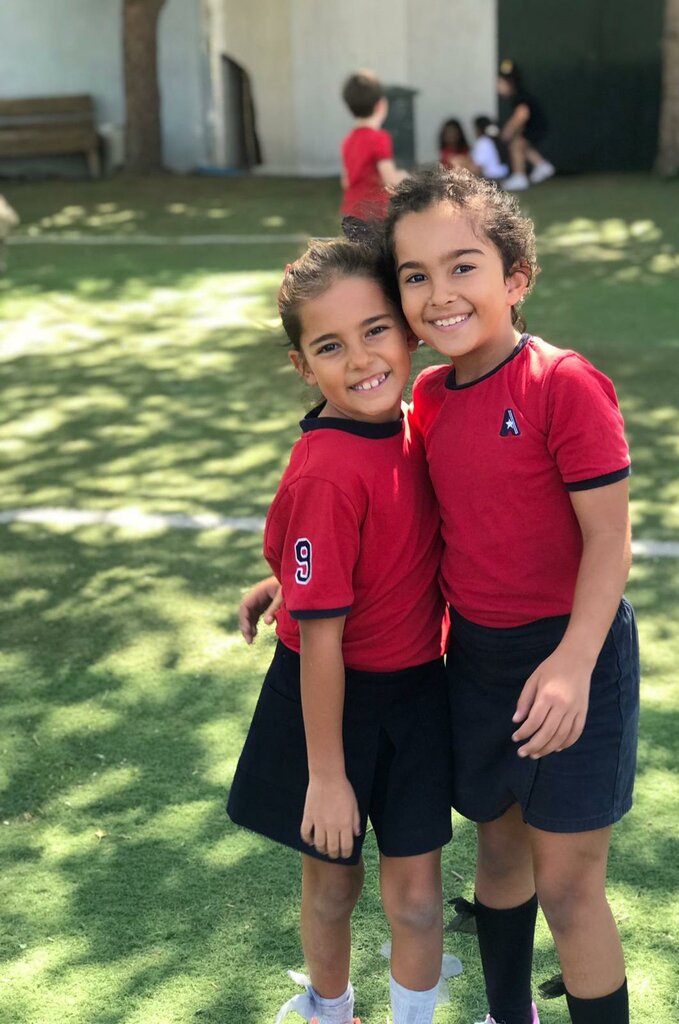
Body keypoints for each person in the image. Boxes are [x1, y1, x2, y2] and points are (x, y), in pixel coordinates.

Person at [383, 168, 639, 1024]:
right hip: (477, 662)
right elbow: (411, 521)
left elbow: (609, 540)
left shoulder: (564, 384)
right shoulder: (428, 398)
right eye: (415, 276)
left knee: (568, 887)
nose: (439, 293)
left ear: (516, 277)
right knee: (499, 852)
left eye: (463, 267)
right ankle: (507, 1013)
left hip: (573, 654)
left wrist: (572, 664)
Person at [227, 238, 454, 1024]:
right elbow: (322, 637)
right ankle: (332, 1010)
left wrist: (285, 583)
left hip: (418, 695)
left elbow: (376, 552)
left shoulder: (416, 420)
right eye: (330, 346)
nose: (360, 359)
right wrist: (328, 776)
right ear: (303, 365)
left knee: (417, 899)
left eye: (375, 329)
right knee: (333, 886)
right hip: (329, 704)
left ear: (410, 331)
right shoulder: (325, 470)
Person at [340, 70, 408, 221]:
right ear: (381, 105)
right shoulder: (379, 138)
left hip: (350, 213)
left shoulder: (348, 140)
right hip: (372, 214)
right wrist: (404, 177)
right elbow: (390, 179)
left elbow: (345, 181)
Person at [497, 59, 555, 192]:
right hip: (536, 127)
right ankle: (542, 165)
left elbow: (522, 115)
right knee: (522, 145)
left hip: (535, 127)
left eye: (500, 82)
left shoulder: (519, 96)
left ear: (510, 83)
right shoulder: (517, 96)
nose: (498, 86)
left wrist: (508, 131)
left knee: (516, 145)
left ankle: (519, 177)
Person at [470, 116, 511, 182]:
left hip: (492, 178)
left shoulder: (482, 142)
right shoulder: (497, 139)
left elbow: (478, 167)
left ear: (478, 129)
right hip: (505, 175)